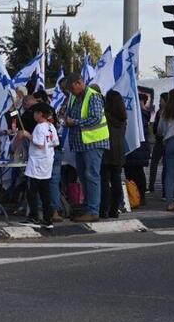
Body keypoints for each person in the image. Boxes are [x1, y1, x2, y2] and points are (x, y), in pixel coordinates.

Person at [64, 76, 110, 222]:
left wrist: (74, 122)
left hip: (93, 143)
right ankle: (87, 207)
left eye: (72, 88)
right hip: (80, 144)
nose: (71, 91)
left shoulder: (93, 96)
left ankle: (93, 211)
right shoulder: (74, 97)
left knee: (92, 176)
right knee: (84, 177)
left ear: (79, 82)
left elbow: (96, 118)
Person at [19, 102, 60, 228]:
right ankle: (48, 219)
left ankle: (34, 216)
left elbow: (40, 143)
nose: (34, 116)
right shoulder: (50, 126)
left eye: (35, 113)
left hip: (37, 162)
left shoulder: (39, 127)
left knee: (32, 191)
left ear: (40, 114)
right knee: (45, 192)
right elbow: (55, 142)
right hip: (47, 161)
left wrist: (28, 135)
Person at [100, 89, 128, 219]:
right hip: (119, 150)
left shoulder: (104, 115)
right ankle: (114, 209)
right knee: (116, 180)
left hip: (106, 149)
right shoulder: (123, 117)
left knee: (104, 181)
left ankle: (103, 209)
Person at [123, 93, 151, 204]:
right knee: (130, 174)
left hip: (138, 149)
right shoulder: (137, 114)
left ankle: (140, 196)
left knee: (137, 173)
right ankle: (133, 195)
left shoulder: (141, 115)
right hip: (132, 148)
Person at [148, 92, 167, 193]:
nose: (159, 102)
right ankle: (151, 185)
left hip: (165, 141)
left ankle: (165, 188)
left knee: (166, 165)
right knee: (154, 163)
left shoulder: (168, 112)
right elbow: (155, 128)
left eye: (161, 100)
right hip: (159, 140)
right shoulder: (159, 112)